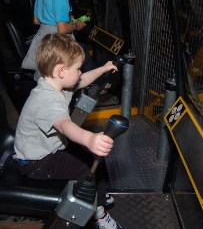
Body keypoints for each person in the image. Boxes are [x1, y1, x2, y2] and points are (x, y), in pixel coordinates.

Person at [14, 33, 122, 229]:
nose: (80, 72)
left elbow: (84, 80)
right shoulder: (47, 100)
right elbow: (65, 125)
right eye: (78, 68)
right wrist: (89, 138)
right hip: (37, 162)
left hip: (51, 148)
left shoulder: (59, 84)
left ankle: (98, 193)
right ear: (62, 70)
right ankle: (98, 213)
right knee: (87, 168)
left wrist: (104, 68)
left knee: (95, 159)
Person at [22, 0, 96, 81]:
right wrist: (76, 25)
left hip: (43, 40)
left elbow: (36, 20)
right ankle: (98, 84)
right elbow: (61, 29)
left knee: (46, 78)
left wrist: (68, 20)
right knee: (82, 54)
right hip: (57, 43)